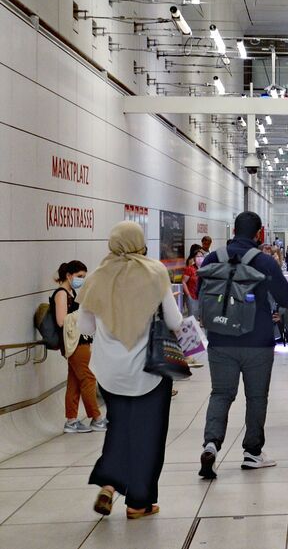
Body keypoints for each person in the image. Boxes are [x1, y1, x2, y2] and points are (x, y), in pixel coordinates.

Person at [76, 221, 182, 520]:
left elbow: (85, 326)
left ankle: (108, 485)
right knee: (148, 436)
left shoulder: (96, 277)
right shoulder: (154, 272)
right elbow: (173, 321)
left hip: (110, 373)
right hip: (149, 371)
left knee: (119, 428)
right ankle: (138, 503)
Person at [198, 211, 288, 478]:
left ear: (232, 232)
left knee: (220, 394)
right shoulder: (264, 261)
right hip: (258, 342)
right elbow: (285, 299)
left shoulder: (212, 258)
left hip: (219, 341)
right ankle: (252, 452)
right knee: (256, 397)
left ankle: (211, 445)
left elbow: (200, 296)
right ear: (259, 233)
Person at [53, 261, 106, 433]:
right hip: (75, 343)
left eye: (84, 277)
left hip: (79, 340)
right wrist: (83, 312)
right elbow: (61, 320)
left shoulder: (71, 292)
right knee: (88, 378)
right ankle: (96, 418)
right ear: (69, 276)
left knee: (74, 382)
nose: (82, 280)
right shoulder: (61, 294)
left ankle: (71, 420)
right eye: (79, 277)